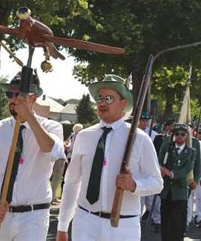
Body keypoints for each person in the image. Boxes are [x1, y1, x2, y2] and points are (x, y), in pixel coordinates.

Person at [57, 74, 163, 240]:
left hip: (123, 225)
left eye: (108, 98)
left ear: (123, 104)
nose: (102, 102)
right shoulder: (84, 136)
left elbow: (157, 183)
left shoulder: (140, 138)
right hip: (85, 221)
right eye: (99, 98)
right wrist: (63, 225)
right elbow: (72, 182)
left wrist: (134, 185)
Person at [0, 72, 65, 240]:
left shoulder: (52, 127)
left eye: (19, 95)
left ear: (34, 97)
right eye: (10, 94)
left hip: (34, 215)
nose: (13, 99)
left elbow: (51, 150)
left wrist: (28, 117)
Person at [158, 124, 196, 241]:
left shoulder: (191, 152)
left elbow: (186, 170)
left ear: (186, 136)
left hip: (179, 192)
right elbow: (159, 161)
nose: (179, 136)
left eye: (182, 134)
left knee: (177, 223)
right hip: (166, 191)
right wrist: (161, 170)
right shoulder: (167, 146)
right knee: (165, 222)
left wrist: (170, 173)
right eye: (177, 134)